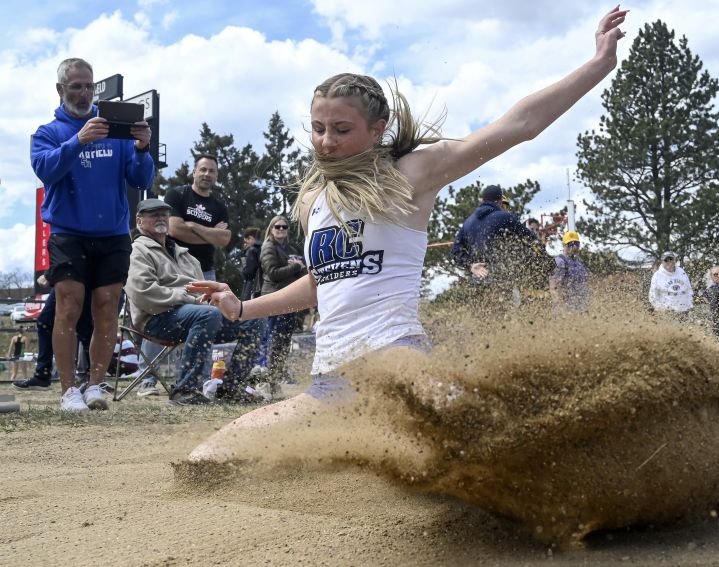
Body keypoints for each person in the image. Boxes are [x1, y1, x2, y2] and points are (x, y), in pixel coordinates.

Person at [186, 7, 628, 460]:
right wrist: (242, 308)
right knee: (208, 459)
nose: (326, 141)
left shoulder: (409, 174)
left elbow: (518, 126)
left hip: (395, 358)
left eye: (341, 129)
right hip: (330, 381)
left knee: (481, 449)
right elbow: (322, 282)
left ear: (377, 130)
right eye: (318, 128)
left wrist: (598, 63)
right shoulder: (319, 197)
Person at [30, 57, 154, 412]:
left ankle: (95, 385)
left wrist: (143, 148)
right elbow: (45, 170)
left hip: (113, 233)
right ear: (60, 90)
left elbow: (141, 179)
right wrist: (79, 141)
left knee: (106, 310)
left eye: (88, 85)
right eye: (76, 87)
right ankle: (68, 389)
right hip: (68, 233)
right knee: (68, 307)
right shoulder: (48, 133)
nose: (84, 93)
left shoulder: (115, 127)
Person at [123, 199, 264, 405]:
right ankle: (185, 390)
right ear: (139, 221)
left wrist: (217, 299)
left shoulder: (185, 255)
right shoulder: (137, 251)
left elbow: (204, 291)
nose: (161, 217)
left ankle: (232, 389)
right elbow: (144, 294)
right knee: (208, 314)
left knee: (253, 319)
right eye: (154, 214)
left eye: (164, 214)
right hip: (156, 319)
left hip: (197, 316)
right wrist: (191, 299)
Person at [450, 185, 550, 310]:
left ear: (482, 200)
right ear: (499, 201)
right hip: (500, 281)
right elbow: (532, 241)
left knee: (482, 323)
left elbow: (455, 251)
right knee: (504, 323)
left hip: (477, 280)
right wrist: (545, 263)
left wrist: (471, 265)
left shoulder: (468, 222)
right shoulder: (505, 217)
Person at [12, 280, 93, 391]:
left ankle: (94, 379)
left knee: (84, 325)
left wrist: (49, 274)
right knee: (45, 320)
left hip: (79, 273)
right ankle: (42, 375)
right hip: (63, 276)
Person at [164, 154, 230, 281]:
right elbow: (175, 230)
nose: (207, 174)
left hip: (205, 271)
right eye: (203, 169)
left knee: (205, 302)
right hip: (175, 266)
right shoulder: (176, 194)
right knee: (176, 301)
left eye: (212, 171)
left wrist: (192, 226)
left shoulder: (219, 206)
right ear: (194, 172)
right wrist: (212, 236)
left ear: (216, 176)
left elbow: (224, 239)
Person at [258, 215, 308, 380]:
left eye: (284, 227)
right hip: (273, 297)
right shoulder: (268, 247)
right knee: (272, 336)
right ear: (271, 228)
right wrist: (295, 266)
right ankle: (267, 372)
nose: (281, 229)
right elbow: (272, 274)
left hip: (289, 298)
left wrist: (301, 268)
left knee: (285, 338)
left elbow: (301, 273)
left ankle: (278, 372)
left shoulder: (290, 248)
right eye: (277, 226)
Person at [549, 231, 590, 314]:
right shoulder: (560, 261)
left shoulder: (579, 263)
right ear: (564, 245)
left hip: (580, 309)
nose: (574, 246)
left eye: (576, 243)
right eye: (571, 244)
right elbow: (553, 287)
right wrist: (562, 308)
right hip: (564, 311)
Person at [648, 251, 693, 321]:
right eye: (666, 260)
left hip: (683, 311)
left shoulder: (681, 272)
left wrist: (689, 305)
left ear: (675, 260)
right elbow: (652, 295)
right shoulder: (657, 276)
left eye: (671, 259)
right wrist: (660, 309)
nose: (669, 262)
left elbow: (689, 289)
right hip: (666, 313)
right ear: (662, 262)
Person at [240, 227, 263, 300]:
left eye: (246, 242)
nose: (245, 244)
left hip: (253, 286)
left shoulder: (252, 250)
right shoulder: (266, 247)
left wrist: (243, 255)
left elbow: (249, 273)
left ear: (250, 238)